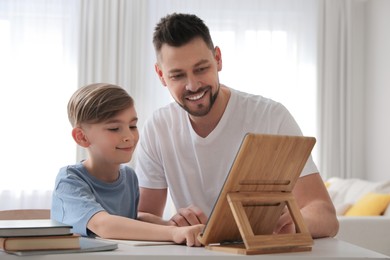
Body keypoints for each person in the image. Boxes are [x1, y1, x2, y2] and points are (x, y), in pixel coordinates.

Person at [135, 13, 339, 238]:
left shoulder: (271, 117)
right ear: (161, 75)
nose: (193, 85)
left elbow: (326, 216)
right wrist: (172, 225)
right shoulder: (158, 127)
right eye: (178, 76)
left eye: (201, 69)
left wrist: (292, 225)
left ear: (218, 59)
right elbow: (144, 217)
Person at [51, 83, 204, 246]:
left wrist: (170, 224)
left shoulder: (129, 176)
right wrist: (173, 232)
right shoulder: (69, 181)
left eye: (132, 126)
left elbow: (131, 219)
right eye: (114, 128)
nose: (128, 136)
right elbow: (103, 225)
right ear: (82, 137)